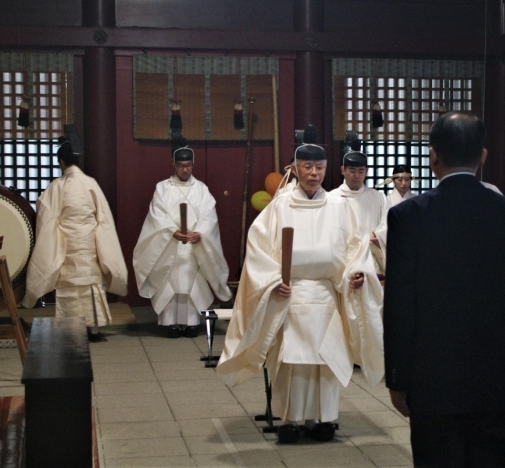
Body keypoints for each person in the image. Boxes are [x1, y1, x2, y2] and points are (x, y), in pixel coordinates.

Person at [384, 112, 505, 467]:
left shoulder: (409, 216)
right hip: (496, 374)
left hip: (431, 375)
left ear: (432, 155)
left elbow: (400, 304)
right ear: (483, 156)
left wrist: (398, 377)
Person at [217, 143, 384, 444]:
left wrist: (355, 275)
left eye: (319, 167)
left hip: (326, 293)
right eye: (307, 167)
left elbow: (354, 248)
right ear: (296, 169)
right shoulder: (280, 206)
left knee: (326, 359)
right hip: (290, 296)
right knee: (291, 362)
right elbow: (258, 250)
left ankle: (322, 419)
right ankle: (290, 419)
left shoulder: (339, 206)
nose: (314, 173)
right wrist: (271, 281)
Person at [22, 138, 128, 341]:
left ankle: (71, 328)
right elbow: (103, 217)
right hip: (89, 240)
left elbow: (46, 215)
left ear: (62, 162)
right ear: (77, 161)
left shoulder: (57, 186)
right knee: (90, 284)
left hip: (67, 242)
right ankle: (93, 329)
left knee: (70, 286)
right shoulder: (91, 183)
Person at [133, 138, 231, 338]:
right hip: (171, 245)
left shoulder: (201, 189)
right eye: (180, 166)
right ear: (173, 165)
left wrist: (201, 233)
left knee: (191, 282)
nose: (185, 170)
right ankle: (172, 323)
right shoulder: (163, 188)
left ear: (192, 165)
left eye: (188, 166)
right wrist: (171, 231)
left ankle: (192, 322)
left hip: (194, 246)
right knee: (171, 283)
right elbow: (157, 214)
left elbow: (209, 215)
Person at [329, 151, 389, 274]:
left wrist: (381, 237)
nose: (356, 175)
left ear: (367, 171)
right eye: (352, 170)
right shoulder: (331, 198)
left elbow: (389, 221)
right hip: (343, 262)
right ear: (342, 170)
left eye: (361, 171)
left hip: (371, 261)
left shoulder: (378, 197)